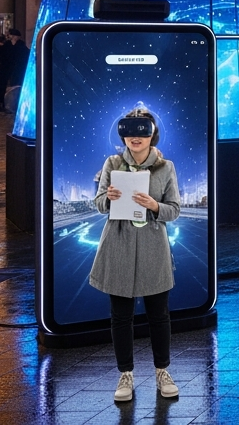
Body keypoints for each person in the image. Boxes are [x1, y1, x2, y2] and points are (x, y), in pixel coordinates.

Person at [91, 106, 181, 402]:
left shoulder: (166, 168)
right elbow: (99, 203)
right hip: (118, 245)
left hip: (154, 247)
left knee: (159, 315)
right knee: (120, 316)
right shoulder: (112, 163)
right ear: (122, 134)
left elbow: (174, 209)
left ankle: (162, 372)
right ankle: (125, 375)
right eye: (129, 130)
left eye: (142, 130)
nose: (135, 137)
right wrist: (108, 197)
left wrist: (154, 206)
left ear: (153, 133)